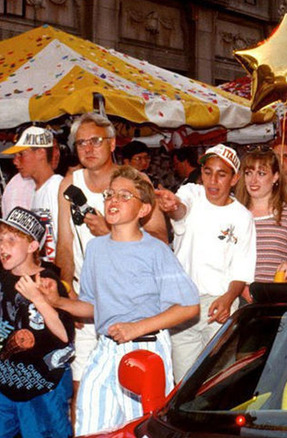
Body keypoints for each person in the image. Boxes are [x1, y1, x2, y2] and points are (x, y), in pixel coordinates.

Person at [46, 166, 199, 435]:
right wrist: (56, 302)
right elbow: (94, 306)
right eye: (110, 194)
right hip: (105, 348)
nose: (113, 200)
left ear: (144, 210)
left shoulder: (156, 250)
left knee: (138, 429)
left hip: (145, 351)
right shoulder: (95, 249)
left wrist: (137, 327)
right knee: (90, 426)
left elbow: (189, 307)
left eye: (125, 195)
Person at [55, 112, 168, 414]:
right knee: (83, 395)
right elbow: (64, 247)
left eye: (96, 141)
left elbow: (161, 238)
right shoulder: (69, 184)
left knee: (136, 397)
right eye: (81, 143)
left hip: (131, 306)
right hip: (86, 301)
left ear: (112, 143)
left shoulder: (135, 181)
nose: (88, 148)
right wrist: (66, 292)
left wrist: (113, 232)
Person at [155, 144, 256, 382]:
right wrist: (173, 205)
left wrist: (228, 298)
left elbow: (242, 268)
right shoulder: (192, 192)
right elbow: (180, 208)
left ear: (234, 179)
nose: (213, 180)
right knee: (183, 382)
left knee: (216, 381)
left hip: (220, 304)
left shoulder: (243, 217)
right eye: (208, 172)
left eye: (222, 174)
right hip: (183, 304)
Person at [0, 207, 74, 438]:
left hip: (43, 388)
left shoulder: (47, 281)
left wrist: (39, 299)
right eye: (1, 239)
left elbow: (64, 336)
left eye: (12, 240)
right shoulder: (3, 275)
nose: (3, 246)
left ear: (33, 246)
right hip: (6, 383)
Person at [235, 148, 287, 285]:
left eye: (261, 173)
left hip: (277, 298)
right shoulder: (234, 214)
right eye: (248, 173)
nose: (253, 180)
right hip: (238, 299)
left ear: (275, 176)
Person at [5, 126, 63, 263]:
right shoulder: (38, 191)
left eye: (21, 154)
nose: (15, 161)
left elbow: (65, 243)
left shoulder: (56, 187)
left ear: (41, 153)